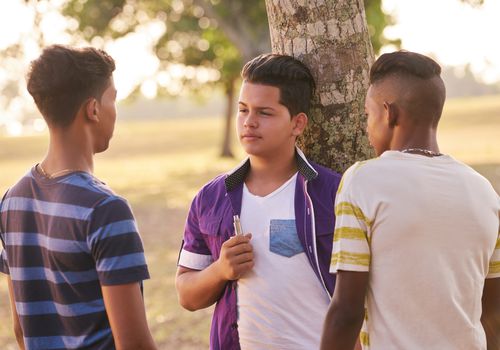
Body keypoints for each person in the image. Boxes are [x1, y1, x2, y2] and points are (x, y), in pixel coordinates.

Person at [320, 50, 500, 350]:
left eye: (368, 114)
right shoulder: (485, 193)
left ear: (389, 113)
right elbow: (493, 315)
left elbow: (346, 313)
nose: (366, 128)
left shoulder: (363, 181)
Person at [175, 53, 342, 349]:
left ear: (297, 124)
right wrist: (220, 270)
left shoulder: (333, 194)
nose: (249, 122)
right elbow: (186, 295)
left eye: (264, 113)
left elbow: (362, 295)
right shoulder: (211, 198)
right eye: (243, 110)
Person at [0, 45, 156, 349]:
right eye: (113, 99)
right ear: (93, 109)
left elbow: (21, 329)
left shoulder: (11, 201)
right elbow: (134, 344)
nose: (115, 110)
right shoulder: (106, 210)